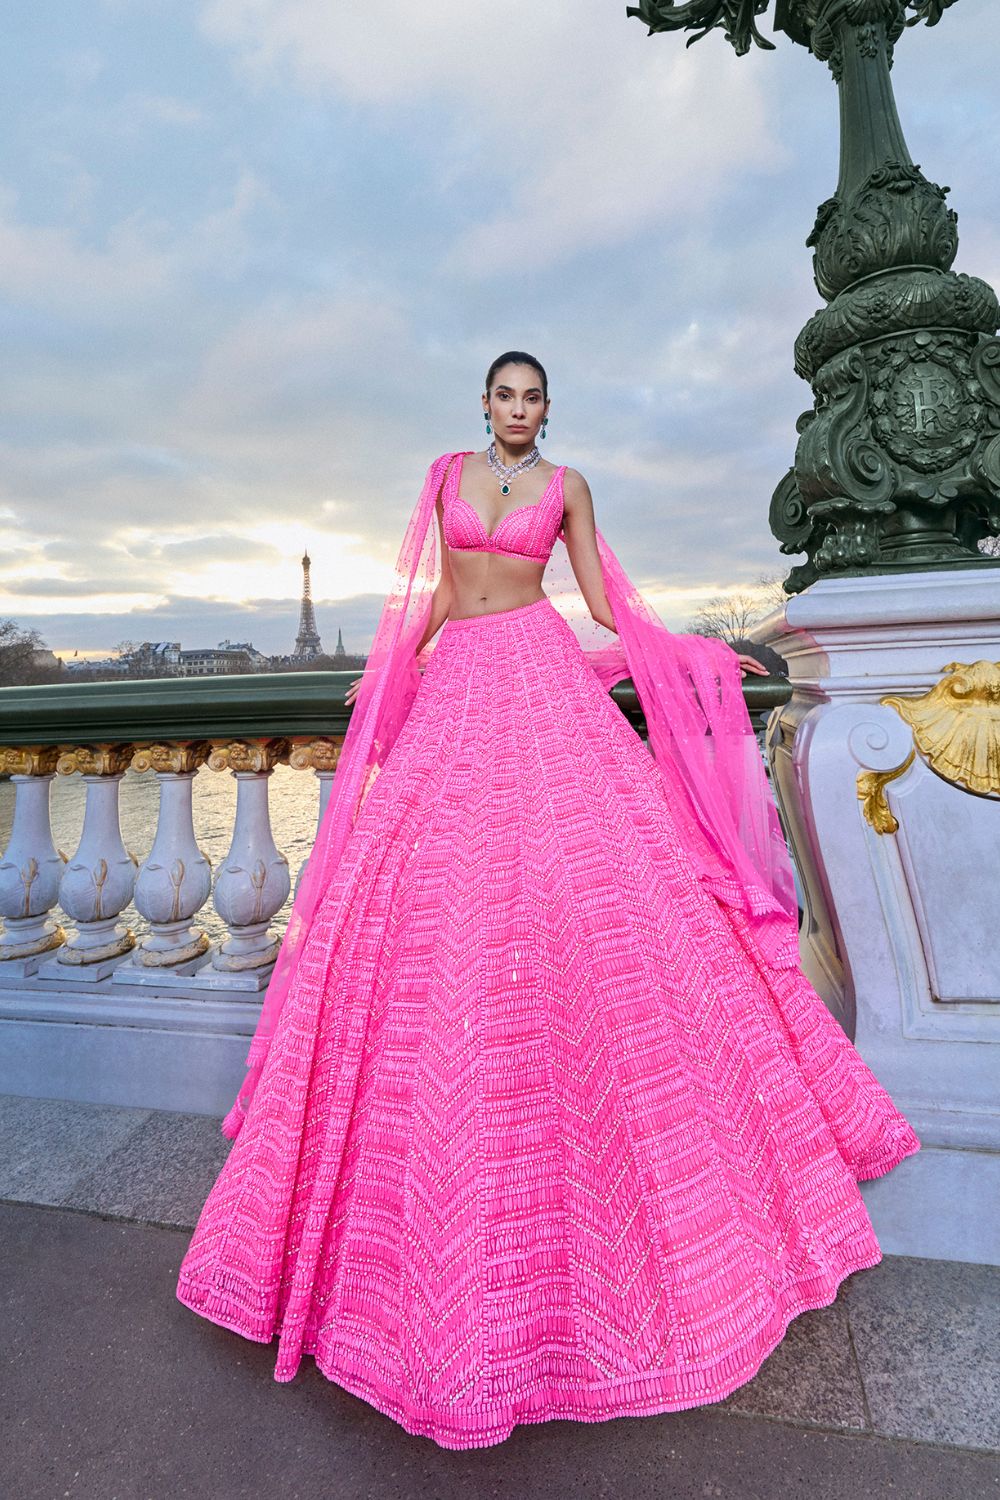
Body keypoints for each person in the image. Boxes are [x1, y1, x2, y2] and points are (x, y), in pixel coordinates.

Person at [176, 351, 919, 1451]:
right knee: (428, 898)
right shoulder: (442, 476)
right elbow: (436, 589)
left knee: (589, 889)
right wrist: (398, 658)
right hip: (461, 679)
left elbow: (601, 594)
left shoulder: (567, 487)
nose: (519, 413)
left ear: (544, 412)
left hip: (537, 672)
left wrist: (676, 651)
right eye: (504, 397)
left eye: (534, 400)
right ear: (482, 405)